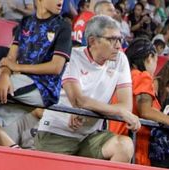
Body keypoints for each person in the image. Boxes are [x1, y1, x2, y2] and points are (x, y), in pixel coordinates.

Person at [31, 14, 137, 161]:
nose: (118, 46)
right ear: (93, 41)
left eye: (120, 39)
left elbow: (126, 106)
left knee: (125, 146)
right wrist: (117, 110)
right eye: (112, 39)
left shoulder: (120, 59)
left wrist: (86, 111)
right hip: (57, 132)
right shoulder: (72, 56)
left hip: (91, 135)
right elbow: (78, 100)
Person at [0, 0, 71, 147]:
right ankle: (9, 149)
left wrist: (18, 67)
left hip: (42, 87)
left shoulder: (63, 26)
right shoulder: (26, 22)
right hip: (19, 81)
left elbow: (56, 67)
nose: (61, 1)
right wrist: (4, 76)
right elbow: (10, 59)